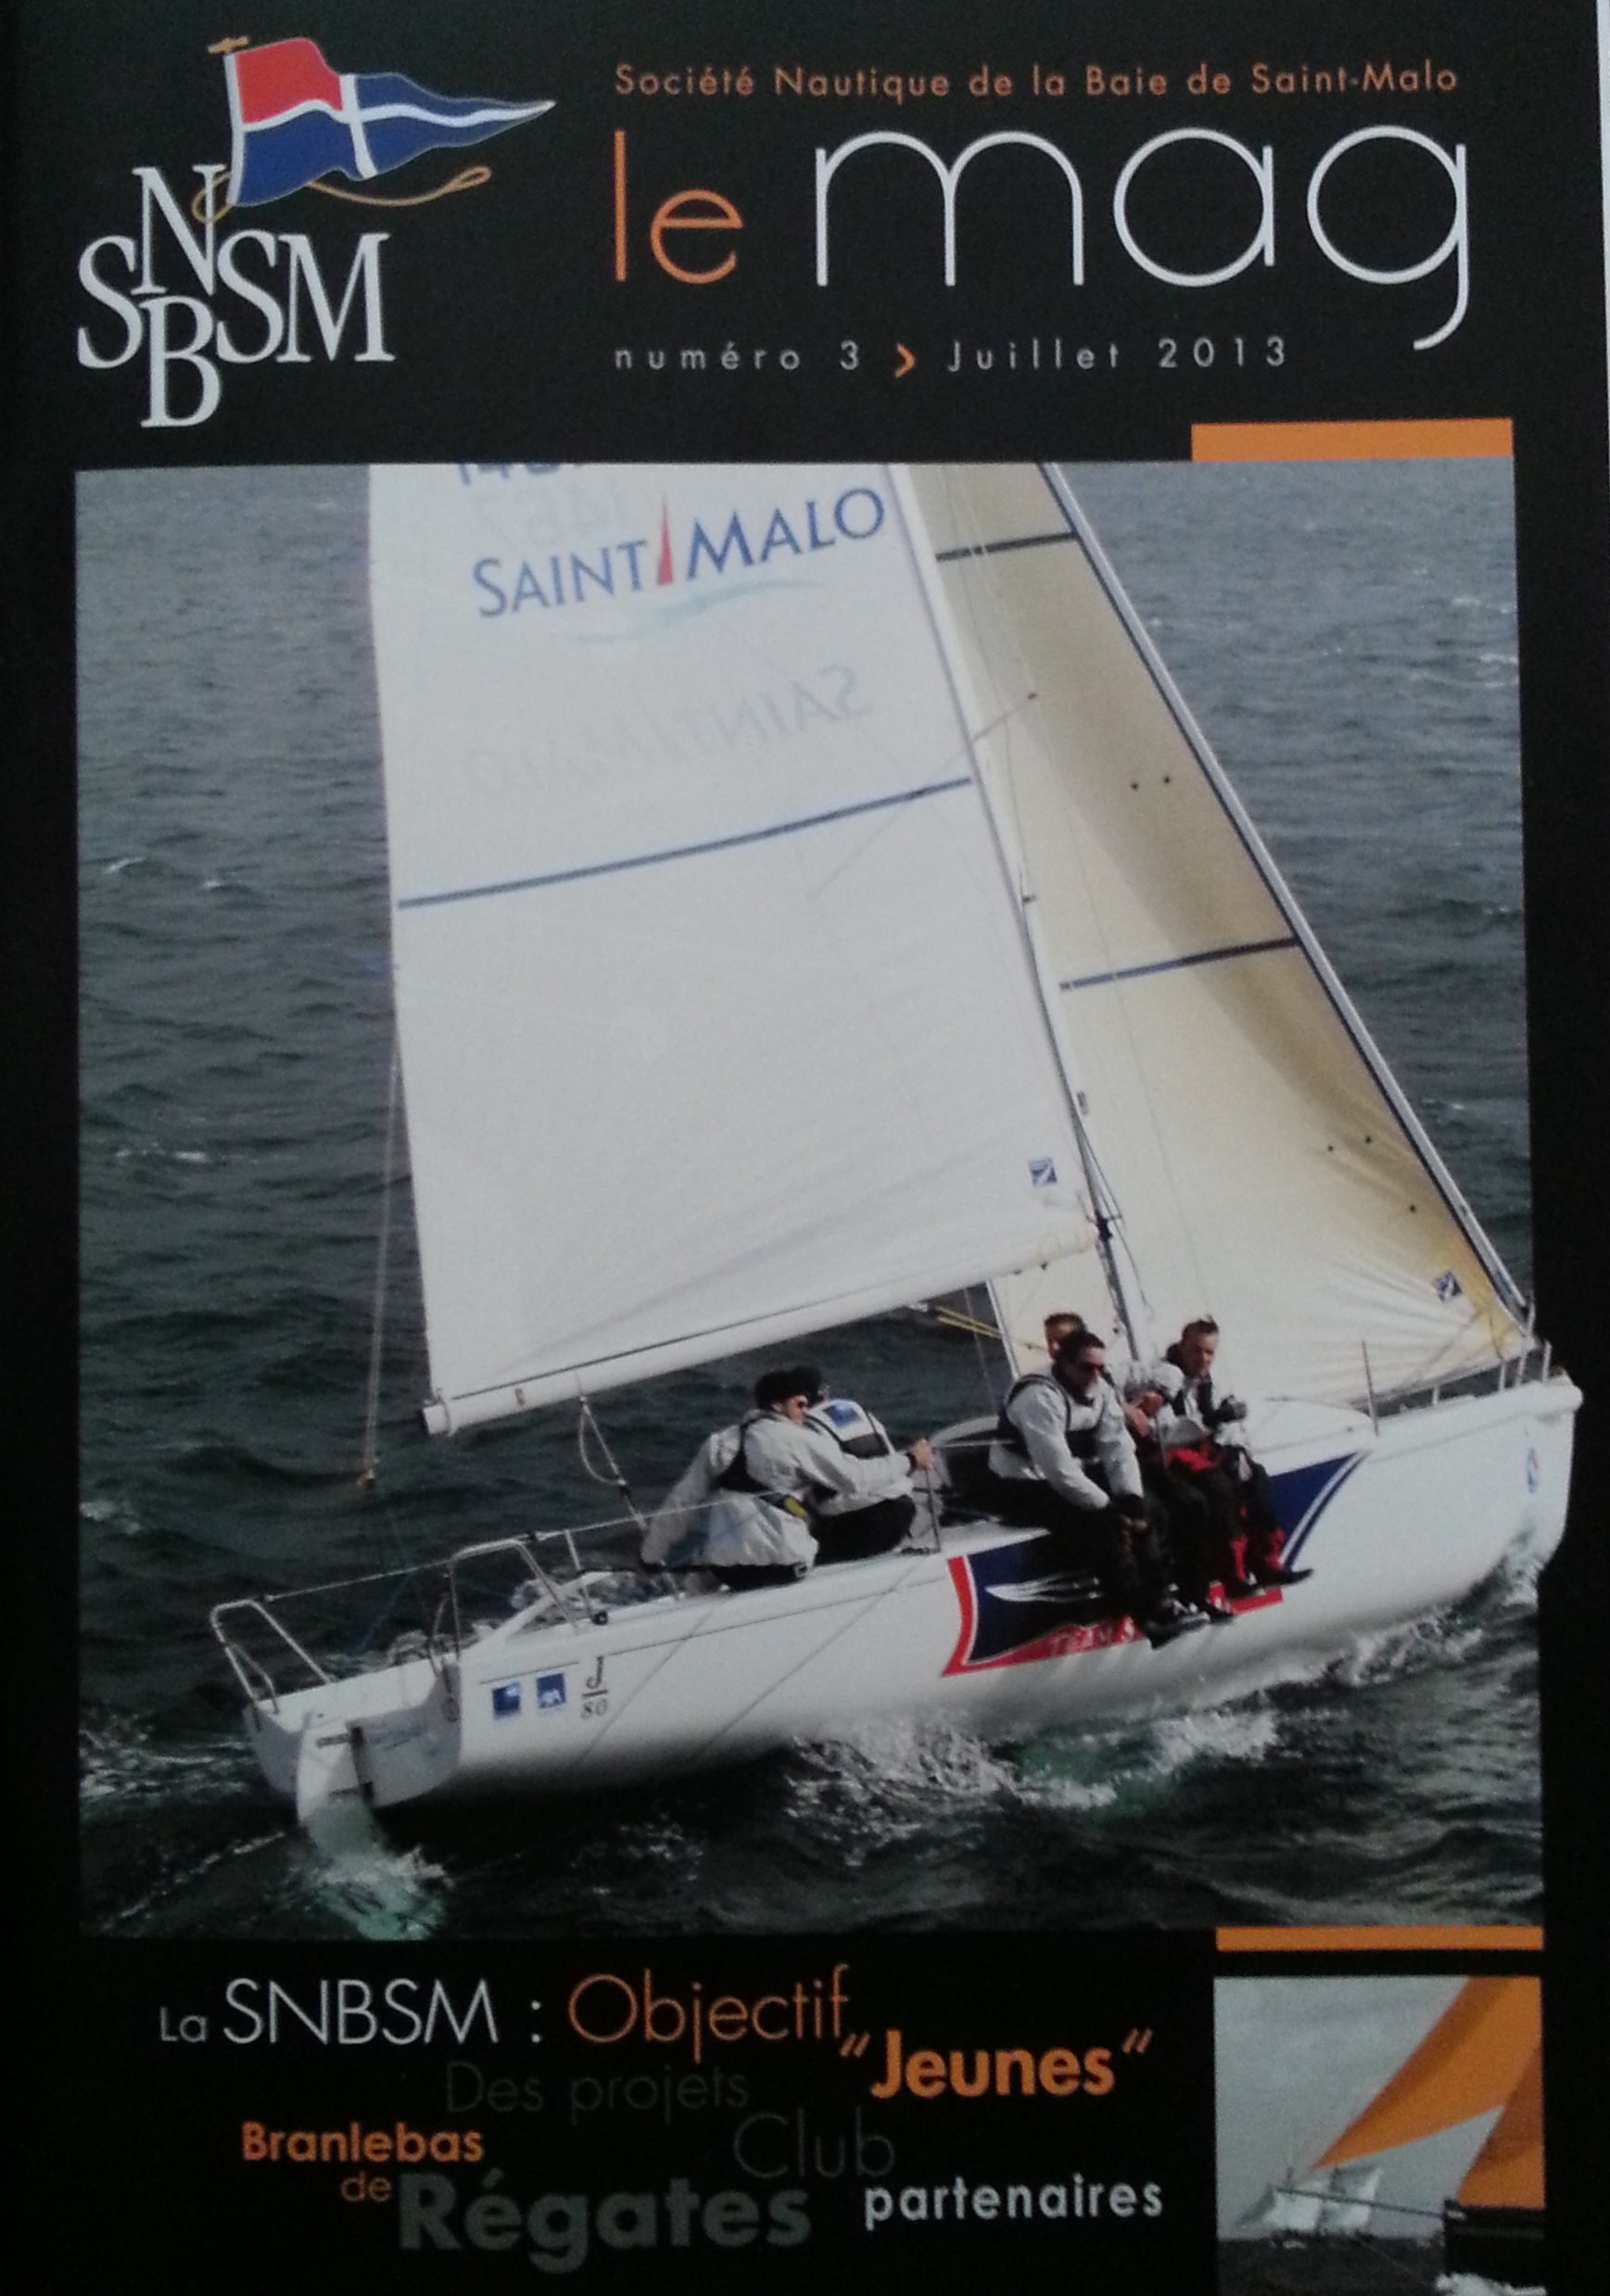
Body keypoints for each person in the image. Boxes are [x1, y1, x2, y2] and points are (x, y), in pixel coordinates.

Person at [987, 1328, 1203, 1644]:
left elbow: (1117, 1447)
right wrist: (1108, 1508)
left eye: (1100, 1368)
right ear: (1063, 1364)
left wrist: (1130, 1498)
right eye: (1086, 1367)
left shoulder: (1100, 1389)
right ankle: (1142, 1615)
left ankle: (1164, 1600)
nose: (1095, 1375)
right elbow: (1058, 1469)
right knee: (1105, 1527)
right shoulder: (1038, 1398)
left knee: (1148, 1511)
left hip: (1072, 1476)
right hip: (1022, 1485)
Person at [641, 1366, 932, 1586]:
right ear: (778, 1406)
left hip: (729, 1572)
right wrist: (910, 1460)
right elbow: (855, 1479)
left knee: (704, 1568)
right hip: (785, 1567)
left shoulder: (717, 1444)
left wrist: (650, 1557)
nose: (805, 1413)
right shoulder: (796, 1439)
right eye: (800, 1405)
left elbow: (680, 1505)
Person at [1135, 1318, 1306, 1592]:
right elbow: (1166, 1431)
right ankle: (1232, 1575)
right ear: (1182, 1346)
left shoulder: (1209, 1381)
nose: (1203, 1359)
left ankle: (1266, 1563)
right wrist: (1213, 1420)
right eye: (1197, 1351)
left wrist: (1236, 1449)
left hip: (1206, 1448)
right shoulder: (1163, 1377)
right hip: (1171, 1454)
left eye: (1209, 1353)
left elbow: (1227, 1422)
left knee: (1257, 1478)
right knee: (1219, 1488)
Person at [802, 1375, 933, 1562]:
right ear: (825, 1394)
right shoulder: (856, 1409)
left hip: (855, 1524)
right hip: (903, 1511)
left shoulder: (801, 1427)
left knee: (795, 1556)